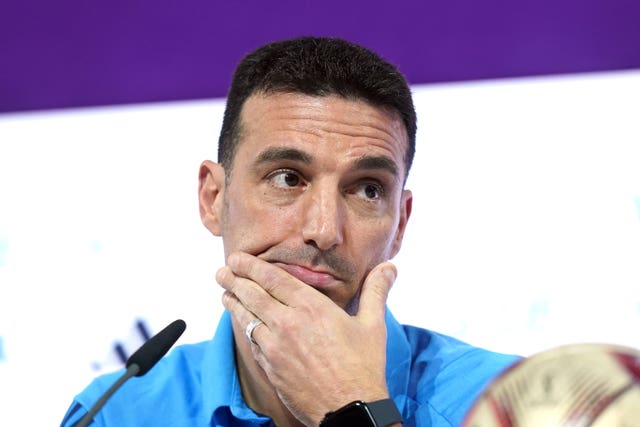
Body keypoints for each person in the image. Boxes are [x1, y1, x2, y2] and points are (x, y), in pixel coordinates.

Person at [61, 36, 519, 427]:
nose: (323, 230)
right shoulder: (117, 411)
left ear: (399, 223)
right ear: (213, 199)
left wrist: (353, 408)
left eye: (367, 190)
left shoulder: (508, 405)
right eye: (287, 178)